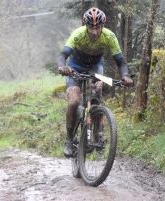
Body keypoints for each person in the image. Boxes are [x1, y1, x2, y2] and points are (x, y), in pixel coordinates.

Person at [57, 7, 134, 158]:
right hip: (75, 66)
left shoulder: (109, 37)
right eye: (91, 28)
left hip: (95, 67)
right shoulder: (78, 34)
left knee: (96, 94)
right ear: (86, 26)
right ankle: (69, 139)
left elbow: (120, 61)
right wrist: (62, 67)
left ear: (102, 26)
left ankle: (99, 132)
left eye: (97, 27)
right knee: (74, 101)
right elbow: (63, 54)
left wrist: (125, 76)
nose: (94, 32)